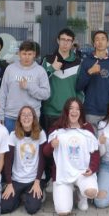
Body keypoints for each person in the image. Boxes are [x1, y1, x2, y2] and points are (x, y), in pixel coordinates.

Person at [42, 98, 100, 216]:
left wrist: (92, 168)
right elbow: (46, 153)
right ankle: (69, 192)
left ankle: (81, 195)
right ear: (66, 111)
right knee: (63, 211)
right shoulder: (56, 127)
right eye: (71, 108)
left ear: (81, 112)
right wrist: (51, 145)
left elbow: (95, 151)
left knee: (91, 192)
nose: (74, 111)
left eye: (77, 109)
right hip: (62, 174)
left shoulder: (87, 127)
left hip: (82, 172)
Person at [40, 28, 82, 183]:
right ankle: (50, 179)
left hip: (69, 114)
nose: (65, 43)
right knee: (49, 148)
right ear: (58, 40)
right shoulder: (47, 59)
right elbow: (39, 82)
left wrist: (76, 109)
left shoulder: (78, 62)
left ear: (72, 43)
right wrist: (52, 68)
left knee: (68, 148)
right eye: (63, 39)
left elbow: (80, 89)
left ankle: (66, 179)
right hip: (50, 111)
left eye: (69, 40)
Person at [0, 105, 47, 215]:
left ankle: (36, 192)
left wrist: (37, 182)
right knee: (4, 207)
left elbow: (43, 160)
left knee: (32, 209)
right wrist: (9, 183)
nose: (26, 117)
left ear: (34, 118)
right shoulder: (13, 135)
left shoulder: (41, 134)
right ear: (19, 119)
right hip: (17, 179)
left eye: (29, 115)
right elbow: (8, 161)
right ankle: (21, 196)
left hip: (34, 179)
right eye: (23, 115)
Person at [0, 40, 51, 133]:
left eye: (29, 54)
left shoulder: (40, 71)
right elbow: (3, 93)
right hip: (11, 116)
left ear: (34, 54)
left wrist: (29, 86)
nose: (26, 57)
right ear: (19, 54)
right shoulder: (10, 69)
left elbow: (46, 94)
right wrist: (0, 115)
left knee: (29, 143)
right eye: (24, 54)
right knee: (9, 143)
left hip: (31, 117)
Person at [75, 30, 109, 126]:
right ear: (94, 44)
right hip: (90, 111)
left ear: (108, 43)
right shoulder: (86, 62)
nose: (100, 42)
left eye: (103, 39)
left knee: (108, 136)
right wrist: (90, 72)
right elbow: (78, 87)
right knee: (91, 136)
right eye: (97, 39)